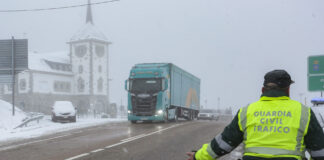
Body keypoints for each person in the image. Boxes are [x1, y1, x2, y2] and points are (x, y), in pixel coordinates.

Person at [186, 70, 324, 160]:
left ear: (263, 90)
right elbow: (320, 152)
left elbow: (223, 143)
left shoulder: (247, 111)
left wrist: (198, 156)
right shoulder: (304, 112)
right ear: (288, 90)